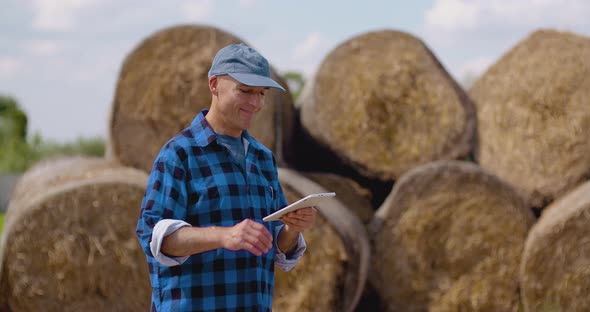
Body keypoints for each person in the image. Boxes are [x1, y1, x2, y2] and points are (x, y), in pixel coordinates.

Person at [136, 43, 317, 311]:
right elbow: (154, 236)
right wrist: (223, 236)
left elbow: (275, 245)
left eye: (261, 93)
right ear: (214, 85)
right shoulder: (180, 154)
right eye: (245, 91)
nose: (255, 103)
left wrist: (293, 228)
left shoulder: (262, 158)